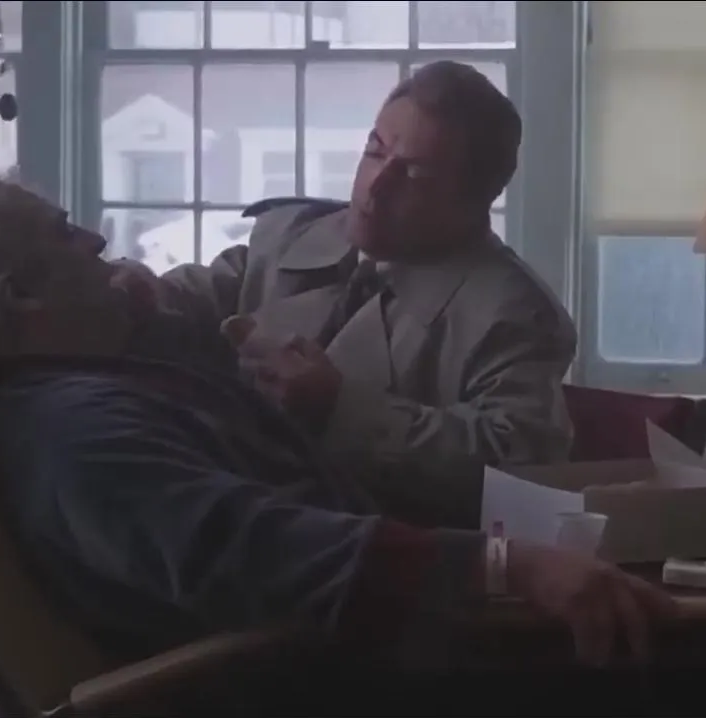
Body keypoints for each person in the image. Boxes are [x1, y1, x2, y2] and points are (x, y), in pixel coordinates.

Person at [0, 177, 706, 718]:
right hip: (330, 672)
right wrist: (511, 569)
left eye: (421, 172)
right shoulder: (80, 435)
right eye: (67, 236)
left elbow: (507, 444)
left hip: (420, 586)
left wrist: (157, 319)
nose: (99, 238)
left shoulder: (112, 372)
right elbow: (265, 549)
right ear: (20, 297)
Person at [130, 61, 576, 528]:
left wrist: (340, 411)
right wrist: (135, 291)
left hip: (374, 544)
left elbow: (521, 463)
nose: (375, 186)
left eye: (415, 175)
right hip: (219, 506)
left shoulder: (515, 316)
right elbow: (204, 293)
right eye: (374, 151)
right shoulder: (292, 233)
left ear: (474, 200)